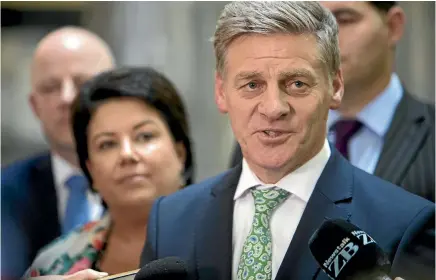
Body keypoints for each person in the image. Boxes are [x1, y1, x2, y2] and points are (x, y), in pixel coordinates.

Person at [139, 2, 434, 280]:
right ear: (221, 91)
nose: (273, 108)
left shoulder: (405, 223)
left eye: (296, 84)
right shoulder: (169, 219)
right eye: (252, 85)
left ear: (335, 86)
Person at [229, 1, 435, 203]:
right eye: (311, 23)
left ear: (393, 26)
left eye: (344, 20)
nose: (325, 37)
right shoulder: (264, 132)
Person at [23, 66, 195, 277]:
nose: (127, 154)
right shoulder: (54, 264)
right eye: (107, 144)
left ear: (180, 152)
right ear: (90, 169)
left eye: (144, 136)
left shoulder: (230, 234)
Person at [1, 26, 114, 278]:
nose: (66, 97)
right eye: (50, 87)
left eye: (82, 83)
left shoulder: (152, 186)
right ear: (34, 106)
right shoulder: (5, 193)